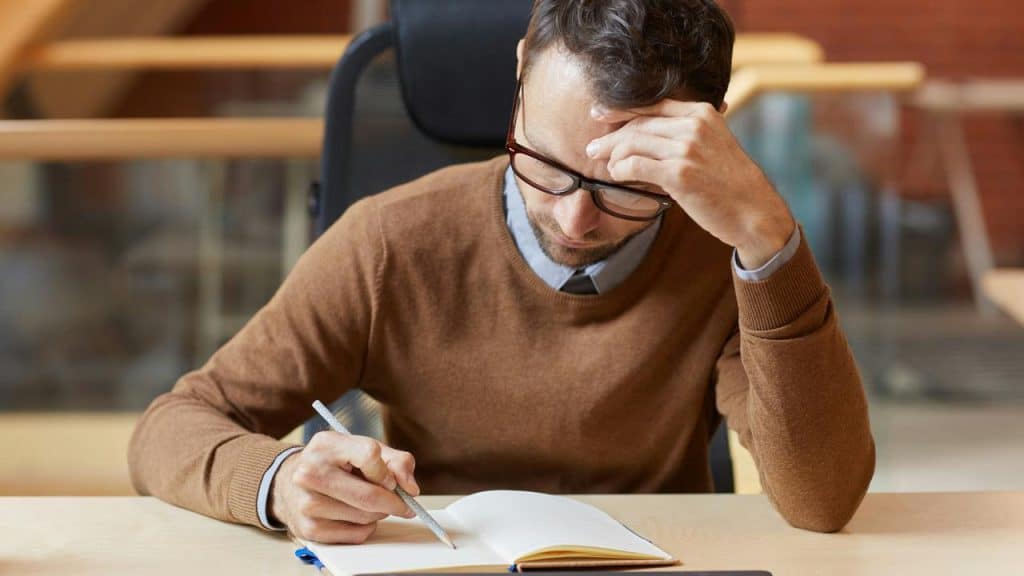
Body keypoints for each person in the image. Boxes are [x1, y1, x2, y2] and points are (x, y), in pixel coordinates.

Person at [129, 0, 874, 544]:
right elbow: (169, 429)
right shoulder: (391, 243)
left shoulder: (726, 256)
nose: (577, 221)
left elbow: (823, 500)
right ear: (520, 73)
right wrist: (280, 483)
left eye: (627, 185)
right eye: (545, 164)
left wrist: (769, 242)